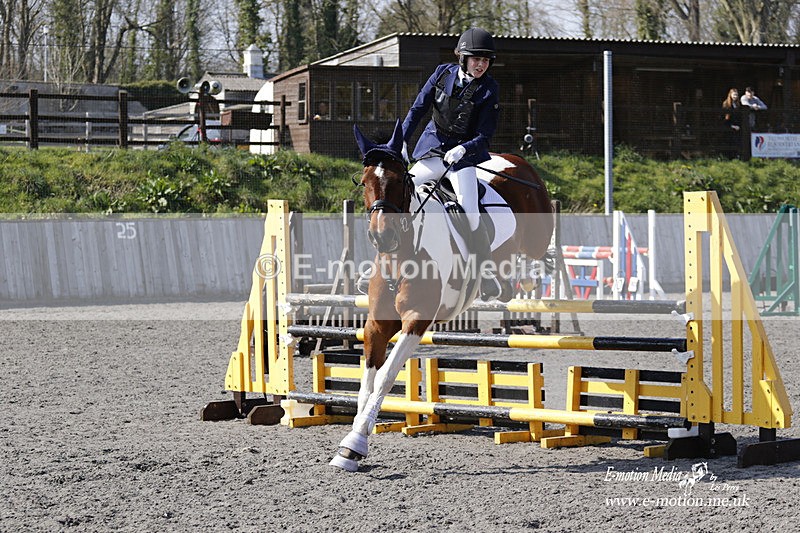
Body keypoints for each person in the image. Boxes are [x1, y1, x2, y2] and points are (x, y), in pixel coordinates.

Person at [400, 27, 509, 301]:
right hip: (432, 150)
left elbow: (484, 135)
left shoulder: (489, 89)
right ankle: (382, 264)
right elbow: (418, 109)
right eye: (476, 59)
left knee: (471, 213)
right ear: (462, 58)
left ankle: (485, 272)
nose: (481, 64)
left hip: (462, 158)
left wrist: (464, 148)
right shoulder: (441, 73)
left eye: (485, 60)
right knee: (402, 194)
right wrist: (399, 140)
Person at [721, 88, 742, 159]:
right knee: (729, 141)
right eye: (734, 94)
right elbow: (724, 117)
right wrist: (731, 126)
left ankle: (736, 156)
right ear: (730, 95)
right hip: (729, 125)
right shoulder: (726, 104)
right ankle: (728, 157)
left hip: (737, 125)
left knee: (736, 141)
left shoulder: (738, 104)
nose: (735, 96)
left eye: (736, 95)